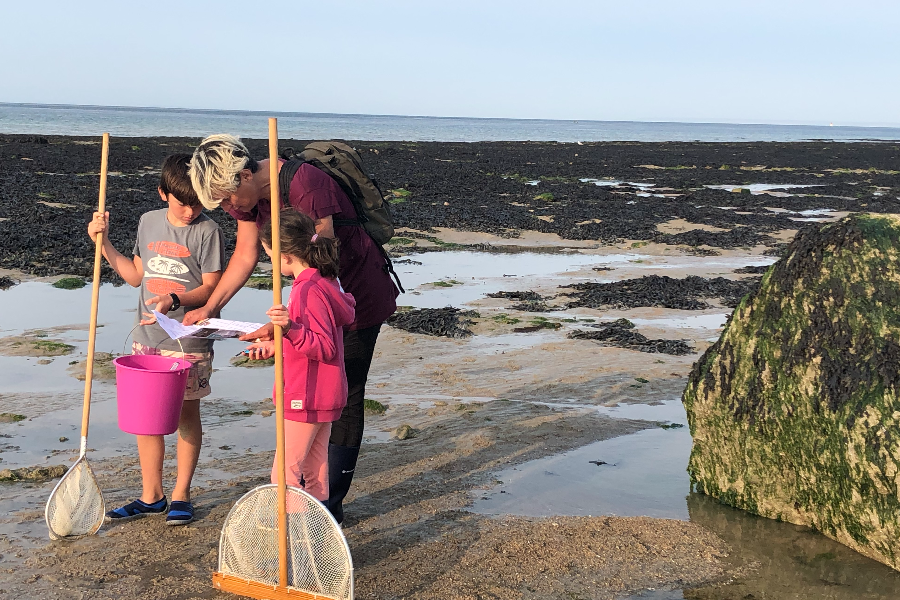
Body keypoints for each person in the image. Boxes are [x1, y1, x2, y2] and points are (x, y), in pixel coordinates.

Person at [186, 135, 397, 524]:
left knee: (344, 394)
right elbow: (247, 253)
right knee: (323, 396)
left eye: (229, 199)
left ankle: (330, 505)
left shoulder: (305, 183)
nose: (230, 209)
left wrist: (287, 325)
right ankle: (319, 506)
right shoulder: (249, 201)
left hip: (354, 292)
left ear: (246, 174)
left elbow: (324, 260)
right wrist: (211, 307)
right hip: (310, 302)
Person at [87, 154, 224, 526]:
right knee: (147, 420)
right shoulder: (148, 222)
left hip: (189, 339)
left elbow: (212, 288)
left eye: (198, 203)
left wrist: (175, 300)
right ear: (164, 193)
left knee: (185, 414)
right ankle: (152, 496)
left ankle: (181, 494)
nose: (190, 212)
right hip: (146, 336)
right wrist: (103, 244)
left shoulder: (208, 231)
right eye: (183, 204)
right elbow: (134, 276)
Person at [244, 209, 356, 500]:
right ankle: (316, 536)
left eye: (270, 256)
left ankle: (290, 539)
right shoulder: (326, 280)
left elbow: (324, 346)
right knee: (315, 472)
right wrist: (274, 345)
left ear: (286, 256)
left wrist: (289, 328)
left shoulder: (307, 289)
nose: (270, 263)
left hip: (305, 394)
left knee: (286, 475)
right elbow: (314, 338)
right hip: (324, 393)